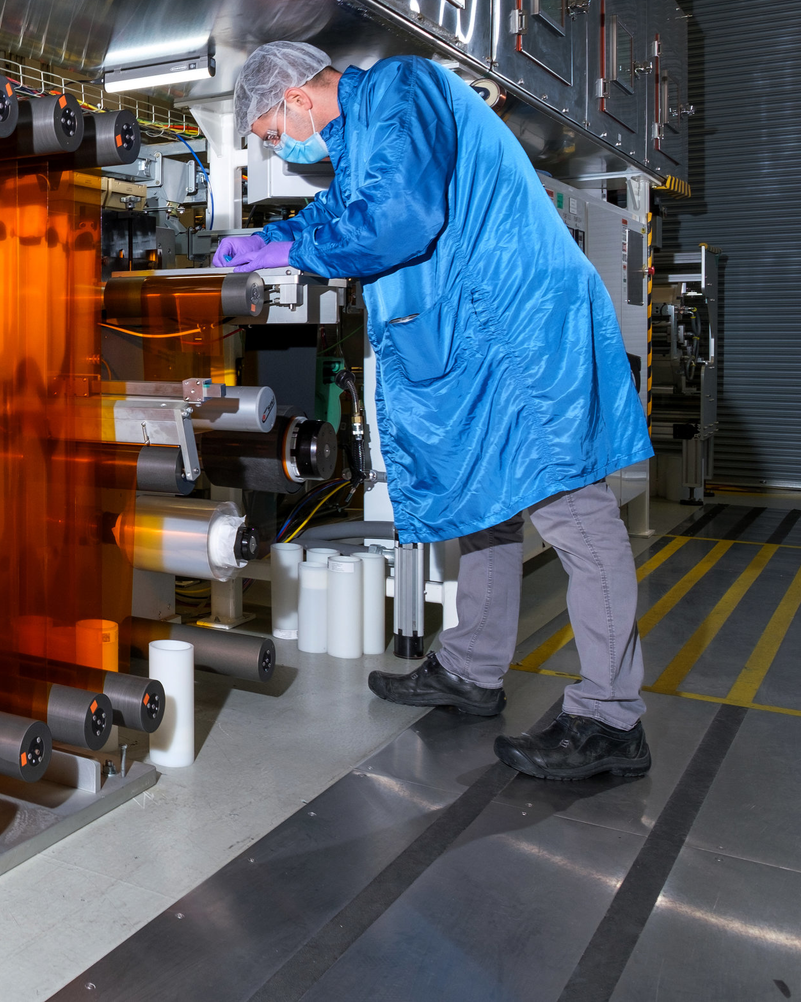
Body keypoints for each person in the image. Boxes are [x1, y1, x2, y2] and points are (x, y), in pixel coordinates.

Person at [214, 42, 655, 781]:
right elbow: (349, 205)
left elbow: (399, 219)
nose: (279, 147)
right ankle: (472, 669)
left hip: (520, 329)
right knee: (486, 509)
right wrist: (277, 236)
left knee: (576, 515)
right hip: (486, 335)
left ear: (293, 99)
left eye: (269, 133)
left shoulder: (400, 87)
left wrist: (299, 253)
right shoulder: (363, 132)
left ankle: (613, 717)